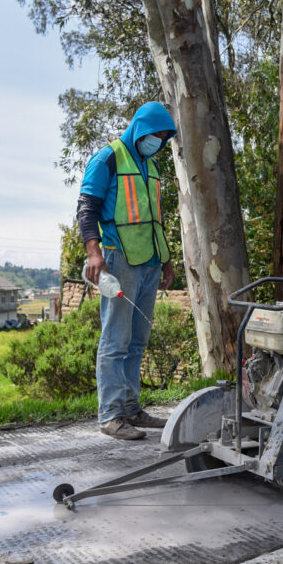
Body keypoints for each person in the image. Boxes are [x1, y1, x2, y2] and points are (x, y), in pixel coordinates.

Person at [77, 102, 177, 440]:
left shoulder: (152, 166)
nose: (158, 142)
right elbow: (86, 207)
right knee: (115, 339)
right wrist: (94, 253)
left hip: (149, 261)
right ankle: (110, 415)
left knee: (137, 340)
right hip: (119, 259)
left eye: (164, 138)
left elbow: (155, 220)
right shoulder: (107, 157)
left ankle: (131, 408)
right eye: (155, 135)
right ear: (140, 129)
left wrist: (166, 260)